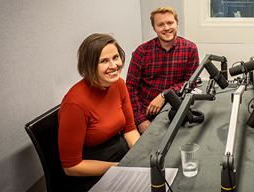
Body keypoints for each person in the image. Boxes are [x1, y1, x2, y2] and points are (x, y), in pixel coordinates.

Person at [58, 33, 140, 192]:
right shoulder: (74, 103)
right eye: (104, 61)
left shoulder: (119, 84)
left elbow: (130, 129)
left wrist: (141, 157)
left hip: (120, 156)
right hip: (91, 172)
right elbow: (71, 167)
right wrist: (122, 167)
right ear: (89, 65)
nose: (114, 65)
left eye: (115, 57)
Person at [126, 6, 199, 134]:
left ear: (177, 24)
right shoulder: (141, 52)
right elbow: (131, 87)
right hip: (145, 110)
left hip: (174, 108)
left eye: (170, 23)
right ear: (154, 28)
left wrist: (165, 95)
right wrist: (140, 120)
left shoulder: (190, 49)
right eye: (160, 24)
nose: (166, 28)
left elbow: (191, 82)